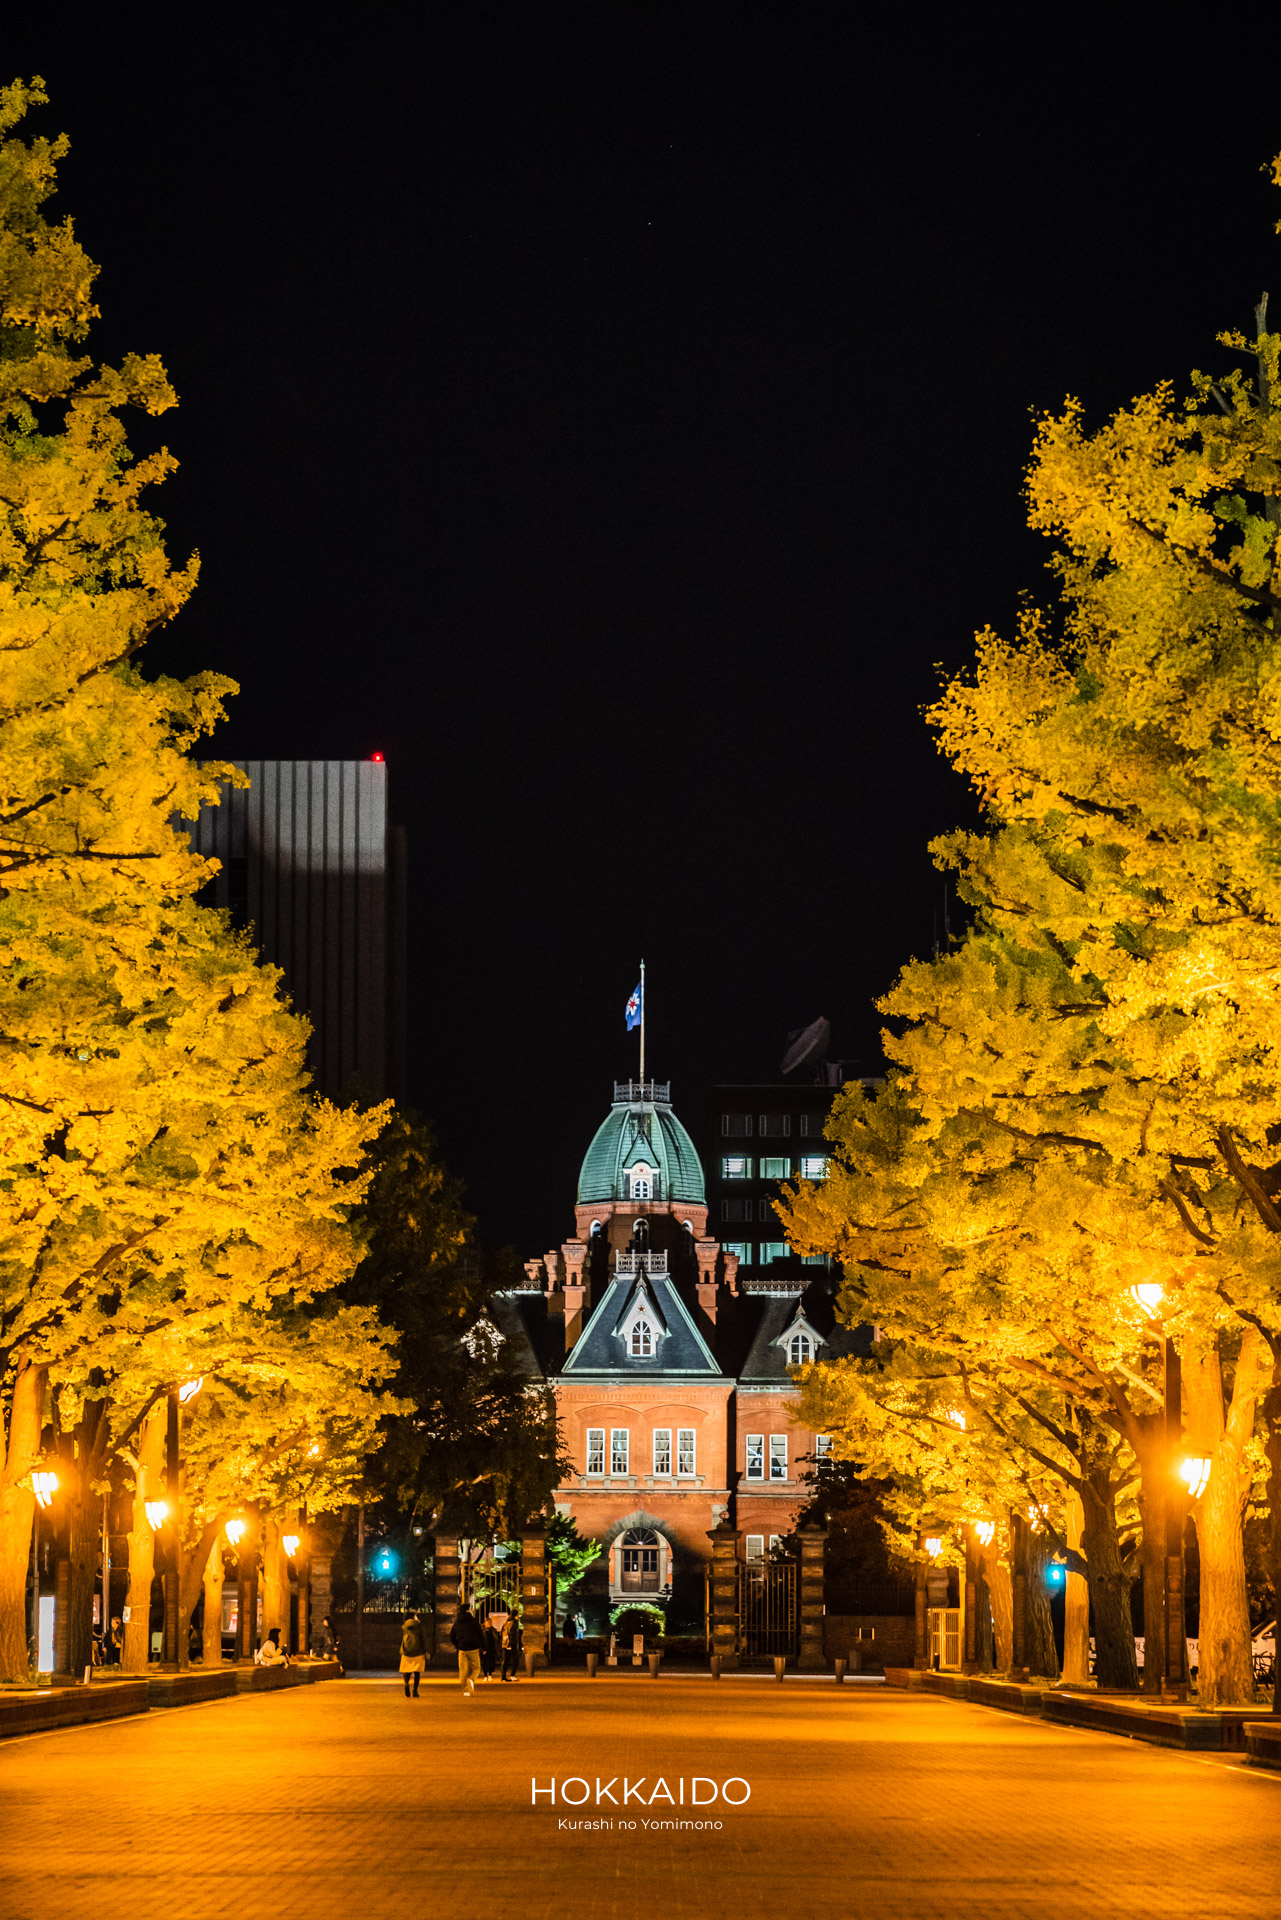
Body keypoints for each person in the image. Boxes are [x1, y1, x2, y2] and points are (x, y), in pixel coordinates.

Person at [450, 1602, 484, 1697]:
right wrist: (483, 1646)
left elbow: (452, 1636)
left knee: (463, 1670)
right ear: (468, 1610)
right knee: (476, 1668)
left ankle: (465, 1690)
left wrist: (458, 1645)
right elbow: (480, 1634)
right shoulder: (473, 1621)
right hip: (473, 1648)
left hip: (462, 1649)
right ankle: (471, 1679)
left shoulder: (457, 1622)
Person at [399, 1609, 427, 1697]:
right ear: (414, 1616)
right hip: (418, 1650)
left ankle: (406, 1683)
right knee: (417, 1672)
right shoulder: (419, 1625)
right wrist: (427, 1650)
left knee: (406, 1669)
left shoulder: (404, 1626)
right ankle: (415, 1690)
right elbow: (424, 1638)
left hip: (406, 1650)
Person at [499, 1612, 523, 1683]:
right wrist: (510, 1644)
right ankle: (512, 1675)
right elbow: (511, 1634)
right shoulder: (513, 1623)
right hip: (511, 1644)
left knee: (505, 1660)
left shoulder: (506, 1623)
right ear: (515, 1616)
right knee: (515, 1660)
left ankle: (503, 1677)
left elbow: (501, 1633)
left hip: (505, 1643)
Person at [480, 1614, 501, 1682]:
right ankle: (485, 1675)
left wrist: (497, 1649)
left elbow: (497, 1640)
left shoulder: (493, 1630)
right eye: (488, 1622)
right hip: (484, 1648)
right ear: (485, 1623)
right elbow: (480, 1640)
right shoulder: (482, 1631)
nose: (489, 1624)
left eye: (490, 1622)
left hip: (492, 1649)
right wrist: (482, 1649)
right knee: (484, 1663)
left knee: (491, 1662)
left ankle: (490, 1675)